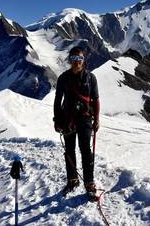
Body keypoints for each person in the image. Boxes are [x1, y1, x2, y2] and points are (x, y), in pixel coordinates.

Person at [53, 46, 100, 197]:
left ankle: (89, 181)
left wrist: (97, 119)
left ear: (83, 60)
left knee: (85, 150)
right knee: (69, 150)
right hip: (68, 118)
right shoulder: (63, 78)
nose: (76, 62)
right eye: (73, 59)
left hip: (85, 118)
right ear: (69, 60)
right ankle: (72, 179)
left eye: (79, 59)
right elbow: (57, 100)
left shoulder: (91, 78)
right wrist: (57, 120)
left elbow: (96, 100)